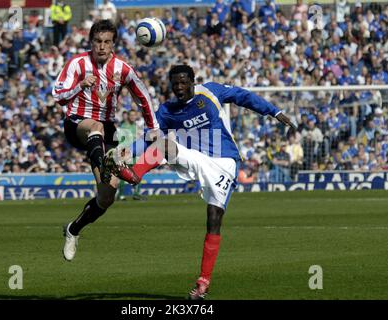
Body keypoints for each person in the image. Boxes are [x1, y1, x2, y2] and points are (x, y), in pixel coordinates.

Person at [107, 65, 296, 300]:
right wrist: (129, 151)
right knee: (165, 144)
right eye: (175, 83)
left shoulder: (210, 92)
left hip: (225, 162)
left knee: (214, 219)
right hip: (196, 158)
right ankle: (133, 175)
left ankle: (203, 282)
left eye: (184, 82)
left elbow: (243, 96)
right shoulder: (167, 111)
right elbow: (149, 138)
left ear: (193, 82)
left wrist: (274, 112)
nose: (179, 87)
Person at [52, 20, 159, 262]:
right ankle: (109, 163)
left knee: (106, 197)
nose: (102, 46)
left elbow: (143, 96)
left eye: (107, 42)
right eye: (97, 42)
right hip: (78, 123)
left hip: (106, 130)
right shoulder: (77, 64)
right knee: (96, 127)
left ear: (113, 45)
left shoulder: (123, 69)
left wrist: (153, 128)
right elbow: (58, 95)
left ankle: (73, 230)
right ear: (90, 42)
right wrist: (80, 86)